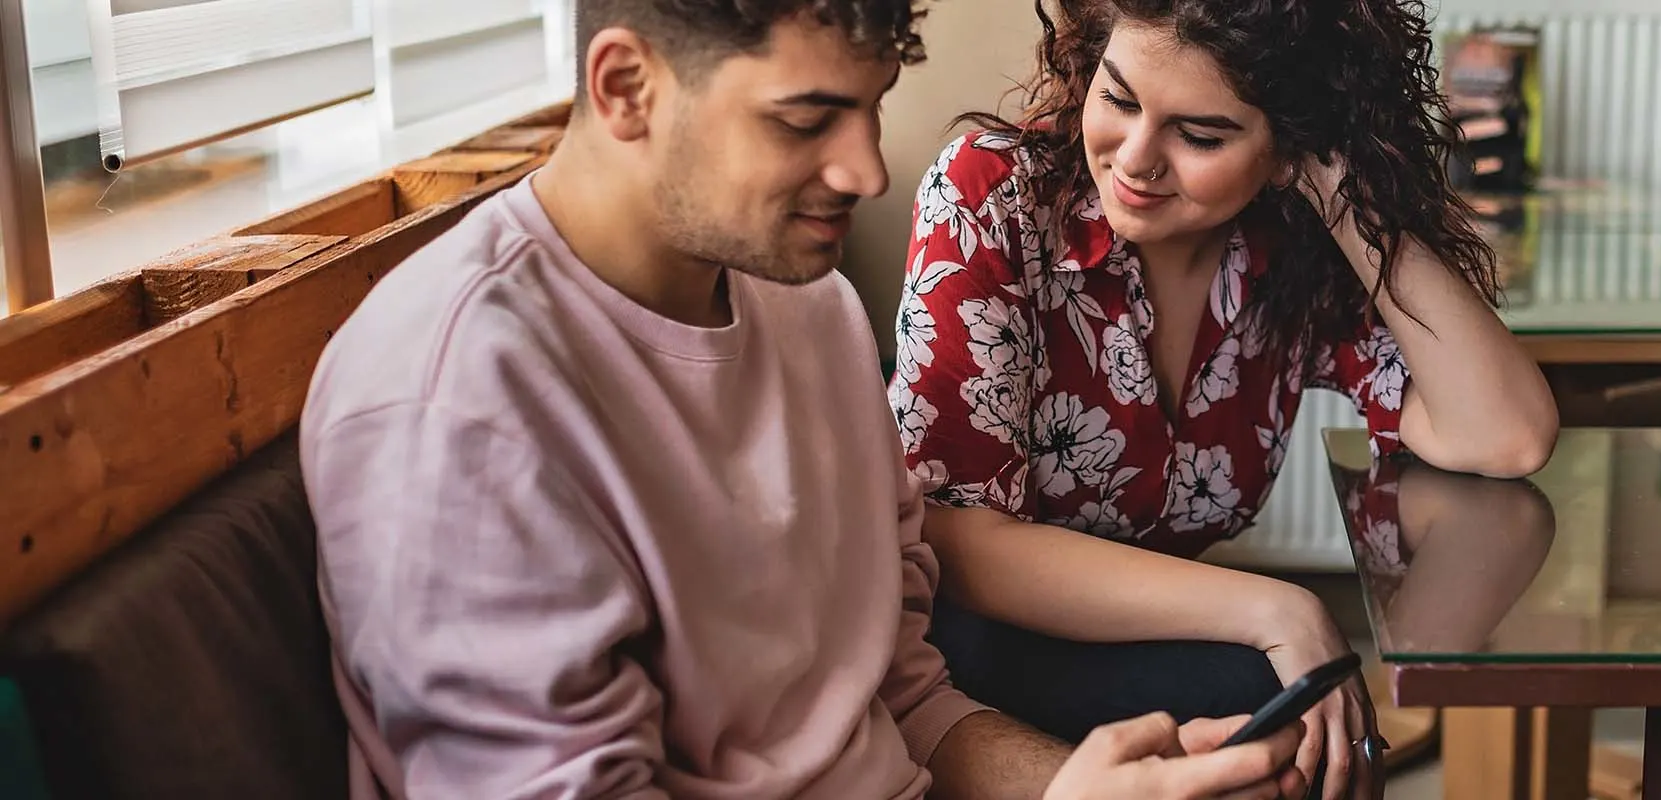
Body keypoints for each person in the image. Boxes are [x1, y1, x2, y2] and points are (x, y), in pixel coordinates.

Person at [300, 0, 1305, 798]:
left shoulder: (811, 309)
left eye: (868, 107)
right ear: (626, 87)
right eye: (806, 117)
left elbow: (899, 696)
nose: (866, 169)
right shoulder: (460, 403)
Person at [885, 0, 1560, 792]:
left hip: (1145, 634)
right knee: (1278, 713)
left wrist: (1348, 190)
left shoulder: (1288, 245)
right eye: (1119, 98)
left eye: (1200, 135)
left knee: (1302, 732)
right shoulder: (992, 196)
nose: (1135, 159)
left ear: (1287, 149)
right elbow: (955, 538)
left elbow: (1504, 434)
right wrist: (1278, 610)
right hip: (967, 636)